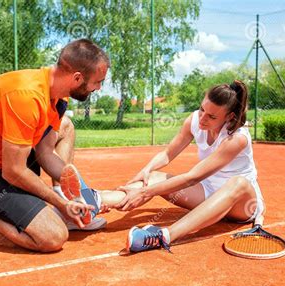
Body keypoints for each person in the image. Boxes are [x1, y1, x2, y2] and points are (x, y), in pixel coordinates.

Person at [0, 39, 109, 252]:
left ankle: (68, 208)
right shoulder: (26, 96)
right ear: (77, 78)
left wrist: (80, 197)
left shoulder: (58, 95)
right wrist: (61, 205)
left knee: (66, 126)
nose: (99, 87)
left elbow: (46, 152)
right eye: (97, 82)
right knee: (53, 238)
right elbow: (14, 171)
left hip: (4, 162)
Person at [104, 80, 265, 252]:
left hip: (241, 204)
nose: (202, 118)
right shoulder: (195, 120)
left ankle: (163, 236)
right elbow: (167, 154)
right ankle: (93, 203)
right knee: (152, 177)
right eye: (203, 109)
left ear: (230, 117)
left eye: (211, 116)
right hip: (208, 194)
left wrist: (144, 192)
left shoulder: (237, 138)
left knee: (238, 182)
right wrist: (146, 170)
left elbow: (192, 178)